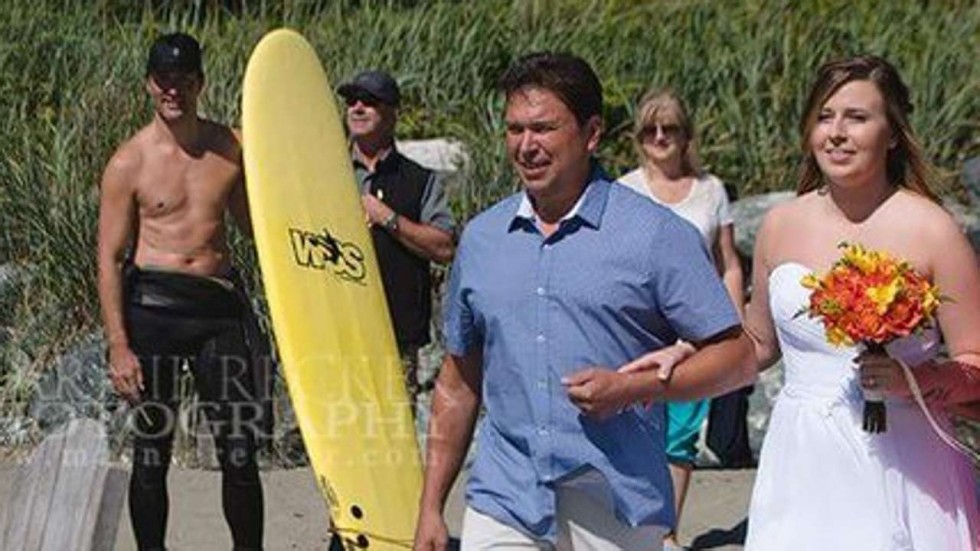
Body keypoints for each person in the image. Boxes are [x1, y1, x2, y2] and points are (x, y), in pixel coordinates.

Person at [412, 52, 755, 551]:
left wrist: (634, 388)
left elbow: (738, 358)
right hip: (505, 501)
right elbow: (458, 383)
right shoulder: (482, 239)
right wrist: (430, 508)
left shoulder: (656, 235)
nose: (525, 145)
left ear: (592, 133)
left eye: (543, 128)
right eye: (514, 129)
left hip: (617, 505)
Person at [738, 55, 980, 549]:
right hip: (803, 461)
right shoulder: (780, 225)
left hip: (907, 461)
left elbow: (974, 360)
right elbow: (757, 344)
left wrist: (914, 380)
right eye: (824, 117)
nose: (836, 133)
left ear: (892, 134)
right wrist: (679, 358)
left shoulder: (933, 230)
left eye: (857, 117)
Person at [97, 33, 265, 551]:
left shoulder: (230, 148)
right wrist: (119, 345)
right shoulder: (129, 162)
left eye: (184, 80)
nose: (174, 90)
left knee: (240, 450)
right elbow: (110, 258)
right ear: (150, 84)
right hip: (155, 311)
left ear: (200, 84)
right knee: (152, 454)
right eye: (164, 80)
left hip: (218, 309)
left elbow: (256, 227)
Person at [618, 88, 748, 550]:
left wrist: (734, 326)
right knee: (635, 427)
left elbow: (728, 263)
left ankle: (668, 533)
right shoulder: (624, 189)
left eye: (669, 128)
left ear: (685, 134)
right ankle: (633, 530)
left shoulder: (711, 191)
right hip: (638, 328)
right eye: (650, 129)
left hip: (694, 330)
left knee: (680, 435)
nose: (659, 137)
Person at [337, 70, 456, 411]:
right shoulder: (328, 172)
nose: (357, 108)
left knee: (394, 426)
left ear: (392, 113)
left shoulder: (420, 179)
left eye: (369, 101)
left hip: (398, 333)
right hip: (336, 331)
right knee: (337, 424)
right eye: (352, 101)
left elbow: (444, 247)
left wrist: (388, 219)